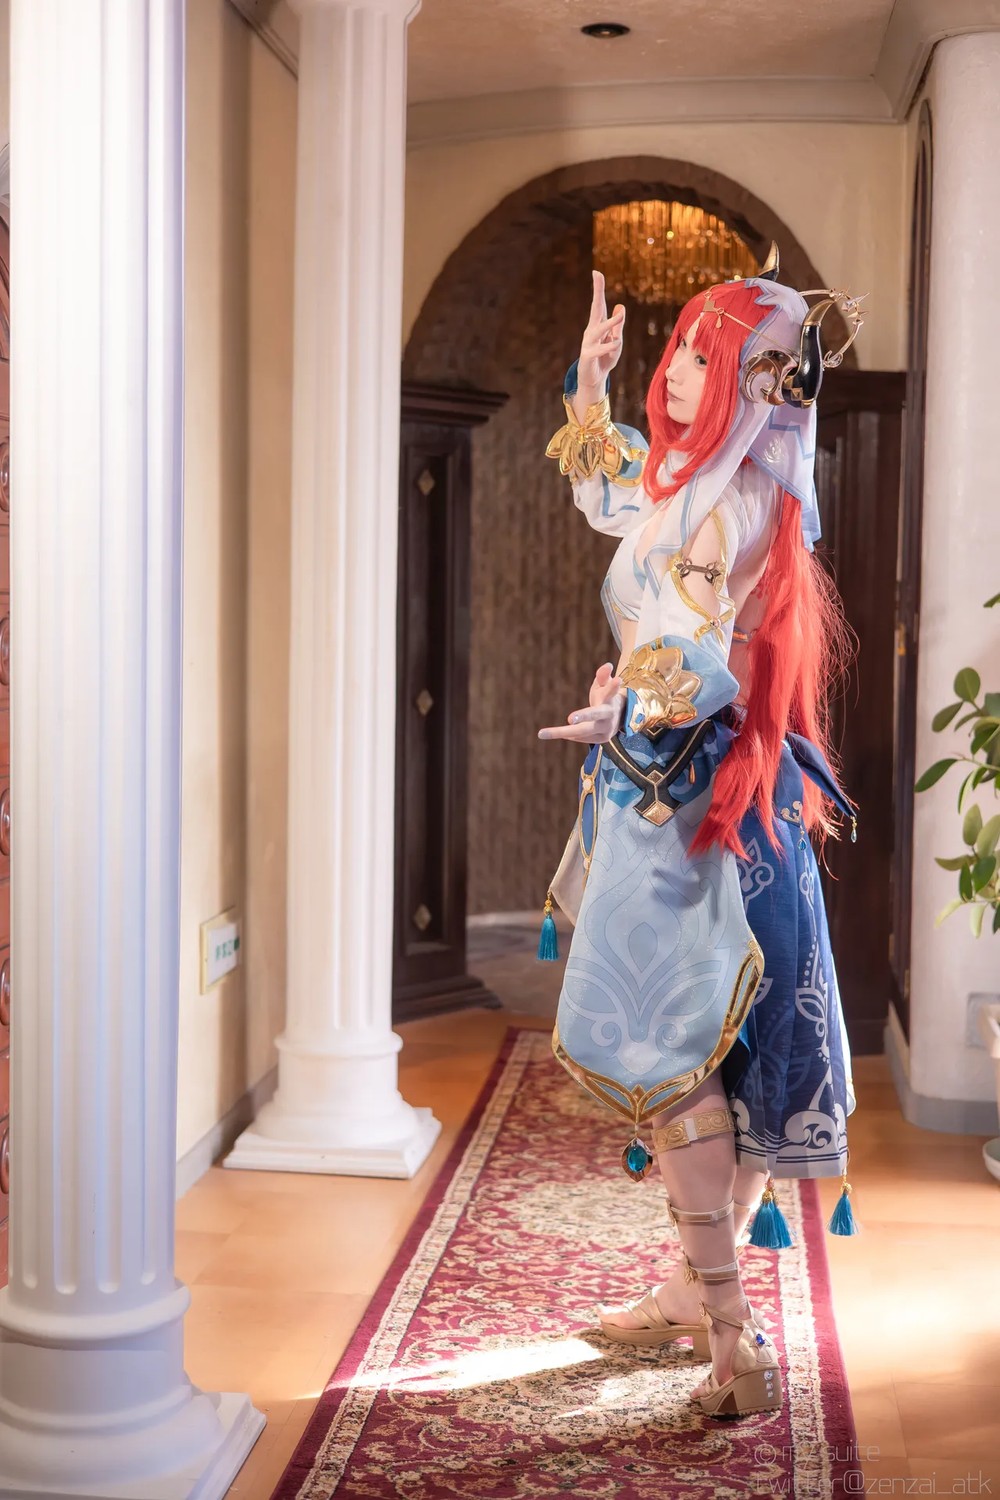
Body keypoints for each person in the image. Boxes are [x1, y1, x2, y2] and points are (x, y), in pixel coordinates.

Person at [537, 246, 864, 1420]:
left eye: (696, 356)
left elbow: (695, 664)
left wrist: (622, 704)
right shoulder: (711, 478)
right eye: (674, 349)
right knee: (714, 1058)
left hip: (686, 806)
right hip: (698, 792)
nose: (671, 373)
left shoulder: (728, 504)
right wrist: (591, 383)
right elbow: (610, 494)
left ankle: (734, 1346)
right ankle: (693, 1297)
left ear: (751, 379)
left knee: (684, 1064)